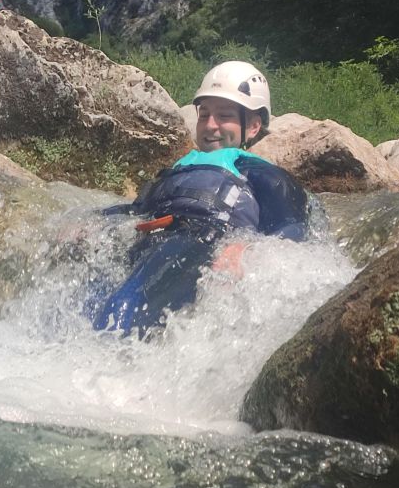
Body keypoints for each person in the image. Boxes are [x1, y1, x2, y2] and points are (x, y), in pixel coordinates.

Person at [89, 61, 310, 336]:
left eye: (224, 115)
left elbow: (295, 224)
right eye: (204, 115)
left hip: (202, 244)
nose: (210, 125)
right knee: (87, 295)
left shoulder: (256, 169)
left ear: (253, 126)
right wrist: (94, 221)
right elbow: (137, 210)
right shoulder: (179, 168)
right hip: (153, 243)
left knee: (119, 308)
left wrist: (249, 250)